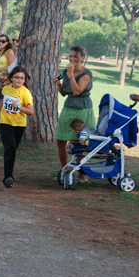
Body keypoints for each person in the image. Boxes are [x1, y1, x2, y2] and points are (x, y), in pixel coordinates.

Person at [54, 45, 95, 180]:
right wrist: (59, 85)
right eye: (70, 56)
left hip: (82, 110)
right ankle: (65, 170)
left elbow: (77, 91)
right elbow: (65, 93)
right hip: (68, 109)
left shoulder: (86, 74)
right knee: (60, 141)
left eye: (75, 57)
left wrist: (71, 74)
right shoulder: (67, 72)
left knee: (79, 143)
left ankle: (81, 173)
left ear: (82, 59)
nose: (72, 59)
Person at [0, 66, 34, 189]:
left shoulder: (25, 92)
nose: (19, 80)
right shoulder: (6, 89)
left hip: (19, 124)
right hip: (5, 121)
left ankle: (8, 174)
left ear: (25, 80)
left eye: (22, 78)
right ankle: (8, 177)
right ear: (11, 78)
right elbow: (4, 100)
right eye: (16, 77)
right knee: (10, 147)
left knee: (12, 149)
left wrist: (18, 107)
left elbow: (31, 111)